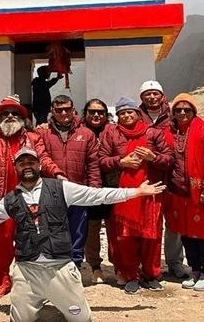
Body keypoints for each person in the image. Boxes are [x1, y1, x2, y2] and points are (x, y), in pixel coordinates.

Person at [0, 148, 167, 322]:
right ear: (16, 167)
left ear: (39, 165)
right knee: (21, 320)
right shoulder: (10, 199)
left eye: (31, 161)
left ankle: (59, 300)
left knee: (80, 319)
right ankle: (35, 301)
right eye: (22, 163)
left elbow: (97, 195)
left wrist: (136, 191)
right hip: (27, 269)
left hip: (60, 267)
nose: (27, 165)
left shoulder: (61, 188)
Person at [0, 95, 65, 298]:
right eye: (5, 113)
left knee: (30, 239)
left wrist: (57, 173)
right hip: (1, 199)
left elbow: (43, 158)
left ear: (22, 117)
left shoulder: (32, 138)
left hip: (29, 197)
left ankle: (29, 280)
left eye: (14, 113)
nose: (10, 116)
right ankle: (1, 280)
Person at [98, 96, 173, 294]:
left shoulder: (153, 133)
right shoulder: (111, 134)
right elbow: (102, 161)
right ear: (118, 116)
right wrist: (120, 162)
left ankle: (151, 273)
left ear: (138, 114)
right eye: (122, 113)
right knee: (125, 237)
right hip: (124, 193)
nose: (126, 116)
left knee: (152, 236)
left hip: (151, 191)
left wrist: (153, 157)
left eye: (130, 112)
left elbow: (168, 160)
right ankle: (131, 274)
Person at [164, 93, 204, 292]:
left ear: (194, 111)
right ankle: (195, 270)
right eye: (178, 110)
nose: (182, 113)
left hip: (200, 191)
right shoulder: (170, 133)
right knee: (186, 233)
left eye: (187, 109)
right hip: (178, 192)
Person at [36, 94, 101, 271]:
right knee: (51, 232)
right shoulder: (41, 133)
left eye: (67, 109)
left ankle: (75, 268)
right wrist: (56, 175)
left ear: (73, 110)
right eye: (59, 110)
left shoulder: (86, 134)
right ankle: (53, 269)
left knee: (77, 232)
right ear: (52, 111)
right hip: (51, 192)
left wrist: (94, 190)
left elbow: (93, 164)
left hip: (78, 191)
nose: (63, 113)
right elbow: (41, 157)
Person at [138, 79, 187, 280]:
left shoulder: (173, 117)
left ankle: (175, 263)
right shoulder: (136, 117)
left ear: (162, 95)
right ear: (141, 98)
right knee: (148, 223)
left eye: (155, 93)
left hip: (173, 176)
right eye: (147, 94)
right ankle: (149, 264)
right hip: (147, 178)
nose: (151, 97)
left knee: (174, 223)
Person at [81, 98, 116, 283]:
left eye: (100, 112)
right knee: (92, 229)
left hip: (112, 186)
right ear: (85, 113)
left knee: (114, 228)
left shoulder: (114, 131)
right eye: (92, 112)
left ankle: (118, 264)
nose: (96, 115)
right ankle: (95, 267)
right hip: (88, 188)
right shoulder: (78, 132)